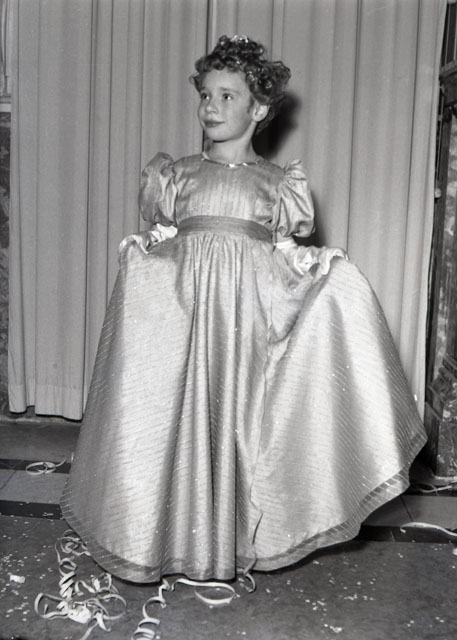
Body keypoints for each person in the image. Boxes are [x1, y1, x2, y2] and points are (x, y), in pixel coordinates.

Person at [61, 35, 426, 586]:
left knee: (240, 423)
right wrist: (144, 251)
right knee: (180, 421)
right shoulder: (177, 175)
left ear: (259, 109)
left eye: (227, 96)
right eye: (205, 95)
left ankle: (231, 544)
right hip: (187, 318)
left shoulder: (278, 184)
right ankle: (173, 539)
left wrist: (321, 266)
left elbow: (284, 252)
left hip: (248, 319)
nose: (211, 106)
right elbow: (166, 238)